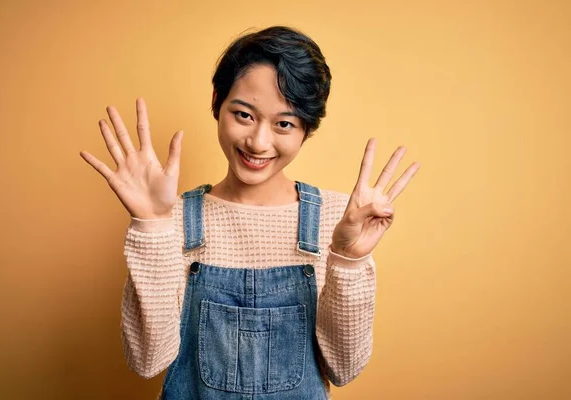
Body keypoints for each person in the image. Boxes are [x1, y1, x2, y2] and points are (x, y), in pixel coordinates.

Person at [80, 26, 420, 400]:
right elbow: (146, 361)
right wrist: (152, 225)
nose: (258, 142)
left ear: (307, 129)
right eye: (243, 114)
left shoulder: (339, 220)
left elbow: (345, 368)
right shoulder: (171, 219)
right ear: (216, 102)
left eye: (284, 124)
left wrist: (348, 260)